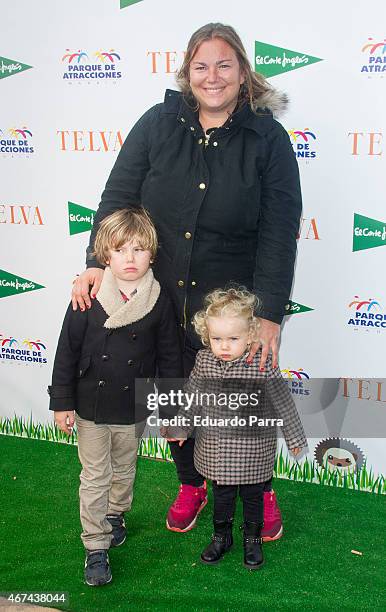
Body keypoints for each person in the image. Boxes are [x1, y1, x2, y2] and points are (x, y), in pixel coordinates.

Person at [71, 22, 302, 540]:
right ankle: (191, 482)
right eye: (201, 66)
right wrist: (95, 258)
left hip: (231, 312)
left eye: (224, 65)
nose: (212, 76)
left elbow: (280, 232)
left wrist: (267, 315)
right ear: (186, 72)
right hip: (159, 299)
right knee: (172, 397)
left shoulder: (268, 139)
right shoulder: (156, 124)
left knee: (242, 404)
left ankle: (261, 489)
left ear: (243, 72)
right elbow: (118, 198)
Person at [48, 208, 182, 586]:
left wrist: (172, 413)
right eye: (121, 250)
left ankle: (116, 514)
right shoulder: (88, 295)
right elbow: (67, 351)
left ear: (151, 255)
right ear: (105, 255)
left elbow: (170, 360)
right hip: (91, 404)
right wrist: (62, 401)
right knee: (94, 476)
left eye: (139, 250)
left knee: (124, 469)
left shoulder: (159, 300)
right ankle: (95, 547)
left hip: (132, 407)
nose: (129, 258)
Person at [165, 287, 307, 569]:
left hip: (253, 449)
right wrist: (181, 427)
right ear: (207, 336)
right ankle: (222, 536)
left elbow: (282, 401)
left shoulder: (262, 363)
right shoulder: (204, 361)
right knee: (223, 496)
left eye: (233, 338)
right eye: (217, 339)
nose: (225, 346)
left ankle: (252, 539)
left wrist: (294, 437)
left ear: (251, 335)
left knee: (253, 497)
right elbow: (193, 397)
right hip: (215, 450)